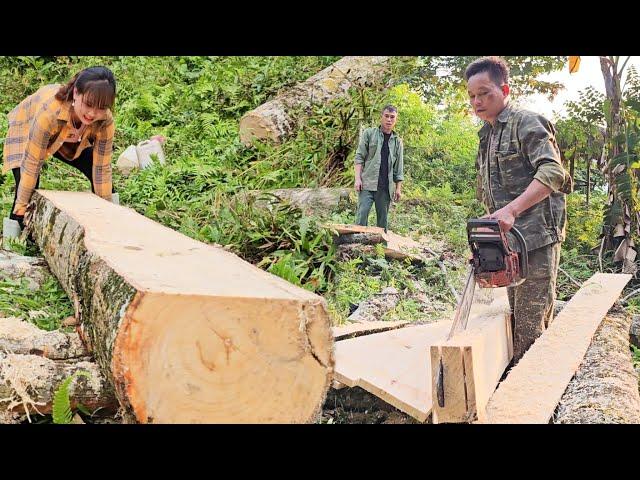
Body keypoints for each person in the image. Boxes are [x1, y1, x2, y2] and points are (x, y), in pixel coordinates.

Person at [464, 56, 572, 363]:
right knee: (514, 316)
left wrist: (511, 211)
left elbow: (553, 173)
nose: (477, 101)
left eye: (484, 93)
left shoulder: (526, 122)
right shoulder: (487, 135)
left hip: (536, 237)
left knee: (530, 327)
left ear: (504, 89)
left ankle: (533, 395)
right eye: (472, 96)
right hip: (508, 242)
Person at [2, 66, 118, 231]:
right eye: (89, 104)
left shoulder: (105, 121)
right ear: (76, 93)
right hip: (29, 126)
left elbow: (102, 168)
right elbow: (32, 163)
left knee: (93, 166)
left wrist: (110, 213)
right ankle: (12, 239)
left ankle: (109, 221)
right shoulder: (50, 113)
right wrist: (21, 209)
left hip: (66, 135)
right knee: (27, 185)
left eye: (101, 108)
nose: (92, 113)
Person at [354, 105, 404, 232]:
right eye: (386, 116)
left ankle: (382, 248)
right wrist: (357, 179)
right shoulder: (369, 134)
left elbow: (399, 168)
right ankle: (357, 246)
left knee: (382, 222)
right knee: (362, 216)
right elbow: (359, 157)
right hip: (367, 184)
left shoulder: (397, 142)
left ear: (395, 120)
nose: (389, 120)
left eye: (392, 117)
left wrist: (398, 188)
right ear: (381, 117)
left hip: (385, 188)